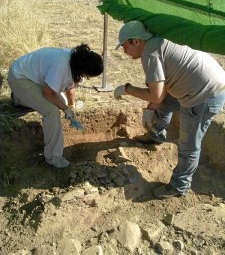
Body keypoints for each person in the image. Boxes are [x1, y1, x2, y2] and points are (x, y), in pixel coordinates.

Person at [114, 20, 225, 199]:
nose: (125, 51)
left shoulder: (150, 55)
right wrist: (152, 108)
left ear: (136, 41)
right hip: (202, 83)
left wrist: (128, 89)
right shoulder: (158, 41)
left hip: (203, 95)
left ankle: (179, 186)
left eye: (125, 45)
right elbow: (162, 89)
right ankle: (155, 134)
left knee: (188, 146)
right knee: (164, 104)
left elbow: (156, 95)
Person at [7, 44, 103, 168]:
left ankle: (19, 98)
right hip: (19, 77)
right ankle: (53, 157)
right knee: (51, 110)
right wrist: (65, 109)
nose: (87, 78)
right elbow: (48, 93)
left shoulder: (77, 61)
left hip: (34, 77)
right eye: (87, 76)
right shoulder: (61, 66)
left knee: (60, 100)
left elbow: (71, 87)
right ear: (82, 69)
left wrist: (71, 107)